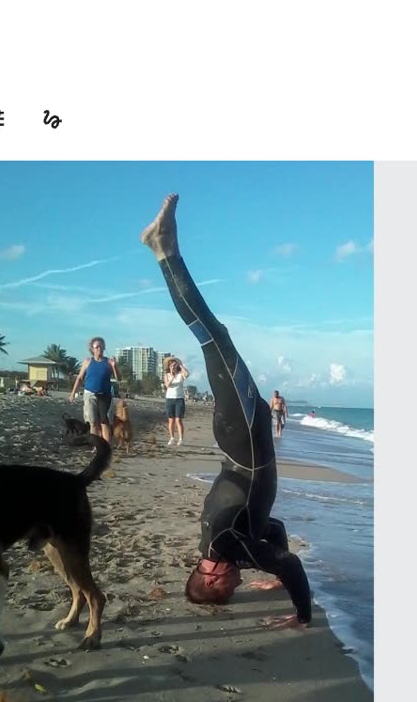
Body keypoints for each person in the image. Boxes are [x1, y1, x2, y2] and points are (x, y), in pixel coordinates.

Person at [141, 193, 312, 629]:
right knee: (216, 338)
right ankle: (164, 250)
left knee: (214, 337)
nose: (237, 583)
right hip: (239, 441)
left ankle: (165, 251)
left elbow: (290, 564)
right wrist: (272, 575)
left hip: (245, 440)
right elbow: (271, 530)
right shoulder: (219, 544)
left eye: (229, 588)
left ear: (212, 579)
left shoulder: (229, 547)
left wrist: (301, 616)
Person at [69, 337, 120, 442]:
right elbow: (80, 378)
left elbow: (119, 379)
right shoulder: (87, 361)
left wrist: (115, 367)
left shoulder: (109, 362)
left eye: (101, 346)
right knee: (93, 422)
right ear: (92, 349)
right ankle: (96, 445)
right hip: (90, 395)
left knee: (104, 422)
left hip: (105, 395)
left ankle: (106, 446)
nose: (99, 349)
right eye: (96, 347)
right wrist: (73, 392)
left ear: (104, 347)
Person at [163, 356, 190, 445]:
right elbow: (167, 385)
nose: (172, 367)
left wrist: (181, 366)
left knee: (178, 420)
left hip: (179, 399)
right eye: (171, 365)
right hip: (169, 399)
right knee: (171, 420)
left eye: (174, 365)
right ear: (169, 366)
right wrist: (172, 376)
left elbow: (187, 374)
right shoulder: (167, 375)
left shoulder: (180, 375)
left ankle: (181, 439)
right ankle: (172, 438)